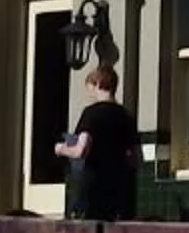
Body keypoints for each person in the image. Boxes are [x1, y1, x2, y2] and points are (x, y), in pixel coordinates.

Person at [54, 62, 138, 221]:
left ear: (97, 84)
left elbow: (81, 150)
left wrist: (61, 149)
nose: (90, 94)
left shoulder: (91, 114)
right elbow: (136, 158)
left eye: (90, 88)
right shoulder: (126, 116)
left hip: (93, 189)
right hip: (119, 191)